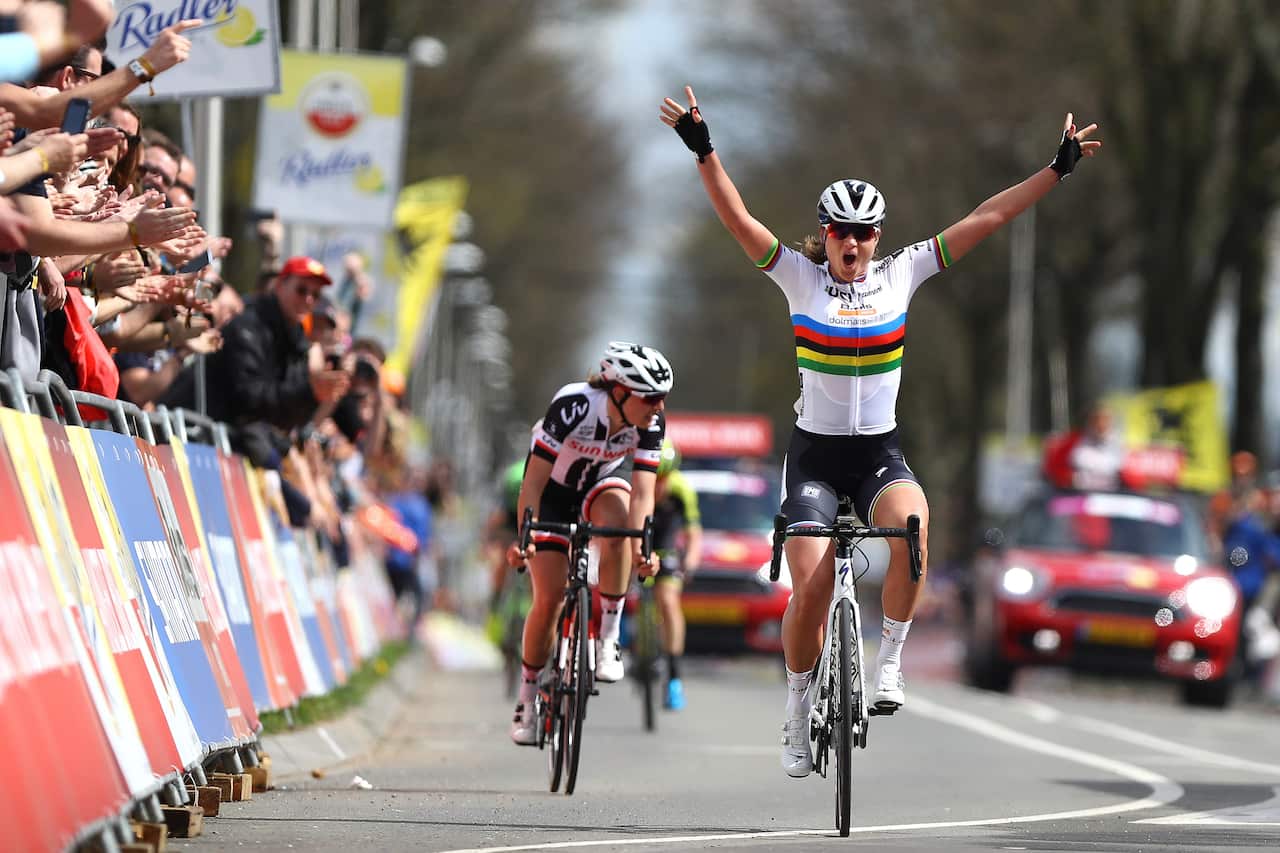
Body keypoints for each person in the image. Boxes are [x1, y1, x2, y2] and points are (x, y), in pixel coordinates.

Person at [660, 85, 1100, 777]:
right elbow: (737, 217)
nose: (855, 244)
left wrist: (1057, 168)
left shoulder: (904, 274)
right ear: (826, 234)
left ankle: (889, 660)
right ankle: (798, 706)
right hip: (813, 458)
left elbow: (988, 216)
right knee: (806, 589)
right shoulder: (798, 280)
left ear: (879, 238)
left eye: (866, 233)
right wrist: (704, 149)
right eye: (842, 231)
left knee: (913, 531)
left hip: (876, 456)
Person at [506, 341, 674, 745]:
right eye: (650, 398)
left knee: (618, 527)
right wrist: (525, 538)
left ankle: (609, 641)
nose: (658, 408)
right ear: (618, 392)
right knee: (548, 600)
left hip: (600, 486)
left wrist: (643, 548)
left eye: (663, 399)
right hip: (553, 493)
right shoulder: (573, 406)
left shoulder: (651, 424)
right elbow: (533, 481)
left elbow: (643, 494)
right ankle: (527, 699)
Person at [649, 438, 702, 710]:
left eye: (664, 478)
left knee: (669, 602)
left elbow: (693, 532)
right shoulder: (636, 484)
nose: (659, 485)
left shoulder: (681, 489)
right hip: (640, 536)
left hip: (666, 540)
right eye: (654, 478)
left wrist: (690, 561)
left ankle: (673, 676)